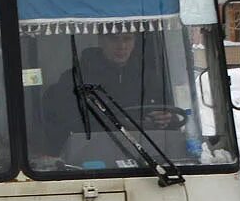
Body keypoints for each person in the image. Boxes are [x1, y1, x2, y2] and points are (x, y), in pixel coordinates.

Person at [42, 31, 171, 155]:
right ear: (101, 41)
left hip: (145, 156)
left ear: (134, 42)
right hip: (93, 155)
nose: (122, 46)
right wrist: (127, 122)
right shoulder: (76, 79)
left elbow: (168, 114)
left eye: (127, 39)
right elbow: (68, 122)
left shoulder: (149, 78)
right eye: (114, 39)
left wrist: (165, 119)